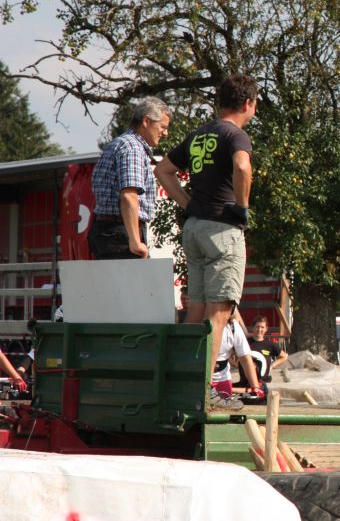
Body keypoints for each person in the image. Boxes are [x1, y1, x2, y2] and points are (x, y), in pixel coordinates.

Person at [154, 73, 258, 409]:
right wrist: (241, 207)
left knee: (195, 310)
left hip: (194, 228)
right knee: (220, 312)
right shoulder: (235, 134)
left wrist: (188, 204)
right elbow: (242, 167)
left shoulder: (199, 135)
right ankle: (204, 391)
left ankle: (182, 384)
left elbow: (163, 171)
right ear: (247, 103)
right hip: (221, 230)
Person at [89, 97, 171, 259]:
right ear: (146, 121)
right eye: (163, 127)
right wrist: (134, 240)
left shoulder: (119, 144)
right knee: (132, 284)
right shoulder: (132, 148)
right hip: (120, 235)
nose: (166, 133)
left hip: (108, 231)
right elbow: (129, 196)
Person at [210, 306, 264, 411]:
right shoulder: (204, 323)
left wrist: (255, 387)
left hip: (222, 377)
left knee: (227, 412)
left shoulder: (233, 327)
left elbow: (245, 358)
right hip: (203, 376)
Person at [240, 315, 287, 390]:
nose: (259, 329)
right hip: (246, 382)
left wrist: (272, 365)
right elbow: (229, 355)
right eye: (257, 326)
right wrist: (237, 364)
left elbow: (284, 356)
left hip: (264, 382)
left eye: (262, 327)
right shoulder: (244, 343)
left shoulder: (270, 344)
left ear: (266, 329)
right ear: (253, 327)